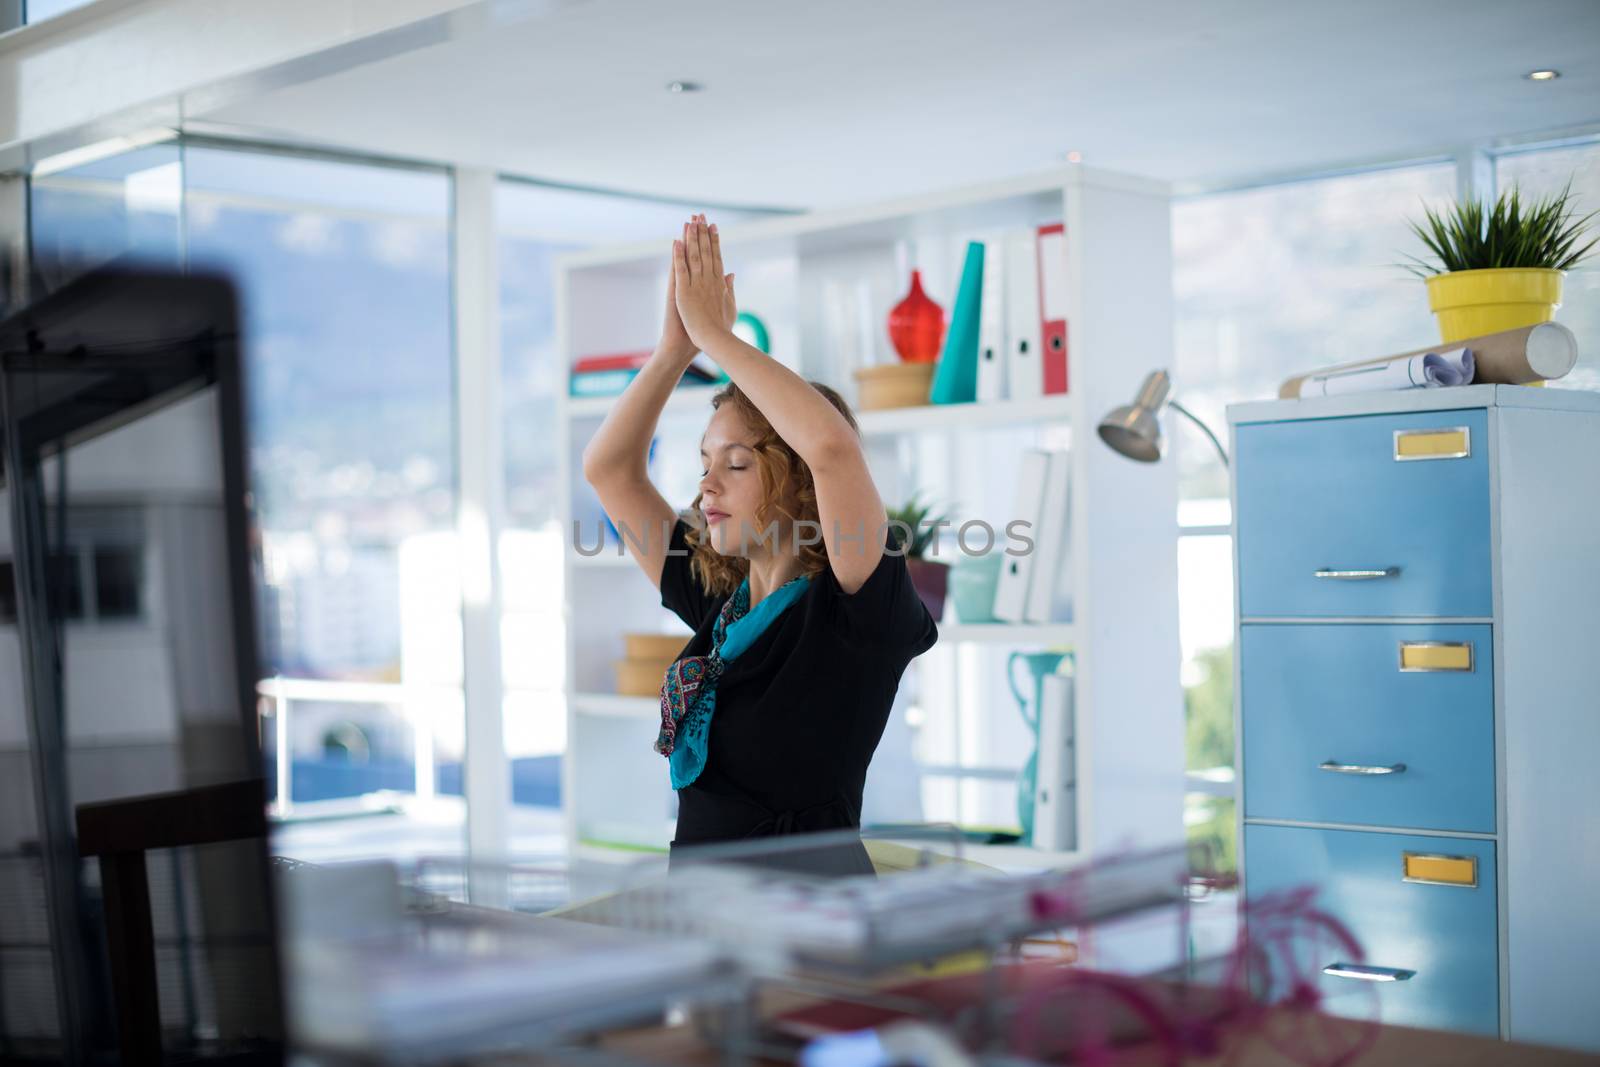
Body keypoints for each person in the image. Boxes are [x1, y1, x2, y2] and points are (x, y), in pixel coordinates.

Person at [581, 214, 939, 877]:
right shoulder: (722, 598)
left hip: (810, 936)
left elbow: (832, 447)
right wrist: (674, 353)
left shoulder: (855, 607)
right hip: (711, 930)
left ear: (797, 481)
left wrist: (719, 336)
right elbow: (609, 469)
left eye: (738, 462)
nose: (706, 481)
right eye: (705, 459)